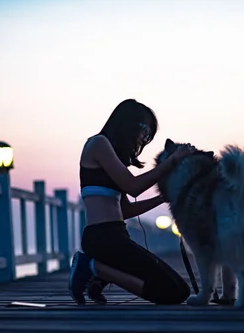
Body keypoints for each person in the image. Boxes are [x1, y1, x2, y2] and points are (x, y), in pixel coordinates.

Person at [69, 99, 195, 306]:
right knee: (172, 293)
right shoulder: (98, 144)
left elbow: (125, 210)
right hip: (102, 237)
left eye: (148, 137)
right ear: (129, 124)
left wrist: (163, 198)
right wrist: (172, 160)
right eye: (145, 132)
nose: (144, 140)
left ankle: (99, 276)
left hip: (118, 234)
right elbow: (133, 186)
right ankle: (93, 268)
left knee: (180, 289)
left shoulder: (113, 157)